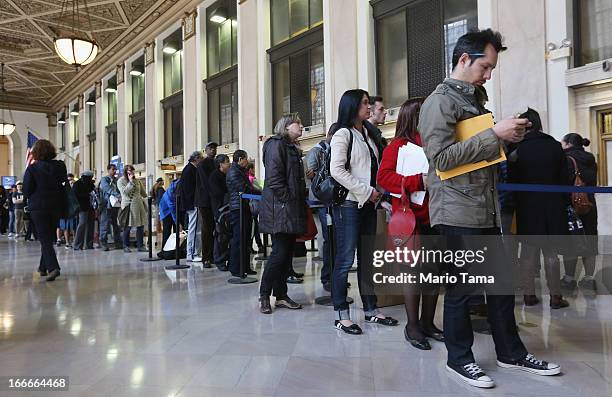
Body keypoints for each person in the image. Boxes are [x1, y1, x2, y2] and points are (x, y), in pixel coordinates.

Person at [418, 29, 560, 388]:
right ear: (464, 59)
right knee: (462, 289)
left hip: (484, 207)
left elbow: (477, 156)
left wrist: (507, 139)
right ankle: (459, 359)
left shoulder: (473, 98)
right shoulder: (439, 102)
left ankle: (510, 353)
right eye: (485, 66)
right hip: (456, 210)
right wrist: (494, 134)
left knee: (499, 286)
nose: (489, 75)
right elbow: (442, 160)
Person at [329, 89, 398, 335]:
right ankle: (341, 314)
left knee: (368, 259)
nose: (369, 107)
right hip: (349, 204)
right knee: (346, 260)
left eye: (369, 103)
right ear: (352, 106)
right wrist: (365, 191)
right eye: (365, 103)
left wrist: (379, 197)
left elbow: (373, 169)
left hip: (369, 204)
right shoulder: (342, 134)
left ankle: (371, 310)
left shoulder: (367, 134)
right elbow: (337, 170)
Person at [377, 97, 443, 350]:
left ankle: (428, 322)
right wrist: (418, 181)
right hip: (411, 220)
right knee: (414, 275)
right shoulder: (397, 146)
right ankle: (413, 325)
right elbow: (384, 178)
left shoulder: (435, 143)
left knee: (434, 274)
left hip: (437, 216)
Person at [509, 109, 570, 309]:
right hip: (553, 206)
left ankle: (529, 295)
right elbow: (565, 179)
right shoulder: (554, 146)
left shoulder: (517, 149)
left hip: (527, 207)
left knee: (528, 252)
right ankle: (555, 297)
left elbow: (511, 180)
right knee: (551, 252)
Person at [258, 114, 308, 314]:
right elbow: (275, 178)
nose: (302, 126)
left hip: (289, 208)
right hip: (280, 208)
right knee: (279, 254)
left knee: (286, 254)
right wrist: (288, 199)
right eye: (299, 123)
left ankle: (280, 295)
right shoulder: (276, 144)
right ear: (287, 126)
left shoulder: (290, 147)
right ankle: (264, 294)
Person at [22, 139, 67, 281]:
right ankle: (42, 268)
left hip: (38, 207)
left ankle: (53, 268)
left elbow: (26, 190)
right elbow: (63, 180)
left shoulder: (32, 169)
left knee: (45, 239)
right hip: (56, 206)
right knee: (48, 237)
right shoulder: (60, 165)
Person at [560, 133, 599, 292]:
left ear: (568, 144)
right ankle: (589, 279)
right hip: (589, 204)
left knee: (571, 241)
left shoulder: (566, 160)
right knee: (590, 239)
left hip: (572, 207)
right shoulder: (591, 159)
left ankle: (569, 279)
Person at [305, 123, 338, 291]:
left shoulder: (330, 150)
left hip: (332, 200)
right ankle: (327, 278)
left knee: (333, 239)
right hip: (321, 200)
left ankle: (334, 277)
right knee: (328, 238)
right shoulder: (316, 151)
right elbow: (312, 176)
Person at [226, 150, 260, 277]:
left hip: (244, 207)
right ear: (240, 159)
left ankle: (245, 266)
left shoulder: (240, 171)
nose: (247, 161)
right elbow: (244, 188)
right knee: (239, 238)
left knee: (246, 238)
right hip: (237, 208)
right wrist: (261, 193)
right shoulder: (234, 172)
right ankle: (236, 268)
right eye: (246, 158)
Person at [195, 142, 218, 267]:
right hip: (205, 201)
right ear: (206, 150)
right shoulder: (202, 164)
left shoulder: (215, 163)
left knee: (214, 229)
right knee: (207, 229)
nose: (213, 150)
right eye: (210, 148)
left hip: (214, 200)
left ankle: (213, 255)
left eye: (214, 148)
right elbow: (206, 183)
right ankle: (206, 257)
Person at [117, 164, 148, 252]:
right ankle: (125, 246)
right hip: (128, 206)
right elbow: (124, 192)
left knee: (140, 226)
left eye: (132, 170)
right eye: (129, 170)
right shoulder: (121, 181)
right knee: (127, 226)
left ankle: (140, 245)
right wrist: (130, 182)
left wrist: (149, 195)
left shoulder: (137, 181)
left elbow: (143, 193)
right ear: (125, 172)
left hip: (139, 205)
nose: (131, 172)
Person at [180, 151, 203, 262]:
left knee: (195, 228)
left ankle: (194, 252)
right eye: (201, 159)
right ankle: (192, 253)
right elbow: (190, 190)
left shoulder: (189, 169)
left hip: (192, 203)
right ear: (196, 159)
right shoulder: (190, 170)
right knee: (194, 229)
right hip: (193, 204)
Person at [209, 154, 231, 271]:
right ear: (221, 164)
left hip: (227, 208)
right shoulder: (215, 176)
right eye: (227, 161)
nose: (229, 163)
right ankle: (219, 260)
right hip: (219, 209)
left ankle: (226, 258)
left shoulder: (225, 175)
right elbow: (218, 193)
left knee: (226, 235)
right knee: (221, 235)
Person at [99, 164, 123, 251]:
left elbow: (119, 189)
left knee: (116, 224)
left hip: (115, 205)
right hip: (106, 205)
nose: (114, 171)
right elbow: (107, 189)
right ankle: (103, 242)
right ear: (108, 170)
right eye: (113, 169)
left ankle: (118, 242)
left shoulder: (116, 180)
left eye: (115, 170)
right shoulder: (104, 179)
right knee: (105, 224)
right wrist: (118, 195)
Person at [72, 171, 96, 250]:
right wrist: (87, 195)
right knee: (82, 224)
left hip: (91, 207)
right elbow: (74, 196)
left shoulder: (91, 184)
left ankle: (89, 244)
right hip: (82, 207)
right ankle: (77, 245)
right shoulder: (77, 184)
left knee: (91, 226)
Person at [159, 178, 180, 251]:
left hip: (173, 209)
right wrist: (177, 221)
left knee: (177, 231)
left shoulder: (177, 186)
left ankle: (176, 249)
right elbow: (172, 207)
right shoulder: (171, 192)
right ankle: (164, 250)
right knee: (167, 231)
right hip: (166, 211)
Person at [57, 174, 76, 248]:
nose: (70, 182)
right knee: (65, 227)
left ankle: (74, 241)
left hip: (72, 211)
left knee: (73, 227)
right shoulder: (62, 190)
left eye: (71, 180)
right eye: (68, 180)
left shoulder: (74, 189)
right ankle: (67, 242)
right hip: (64, 210)